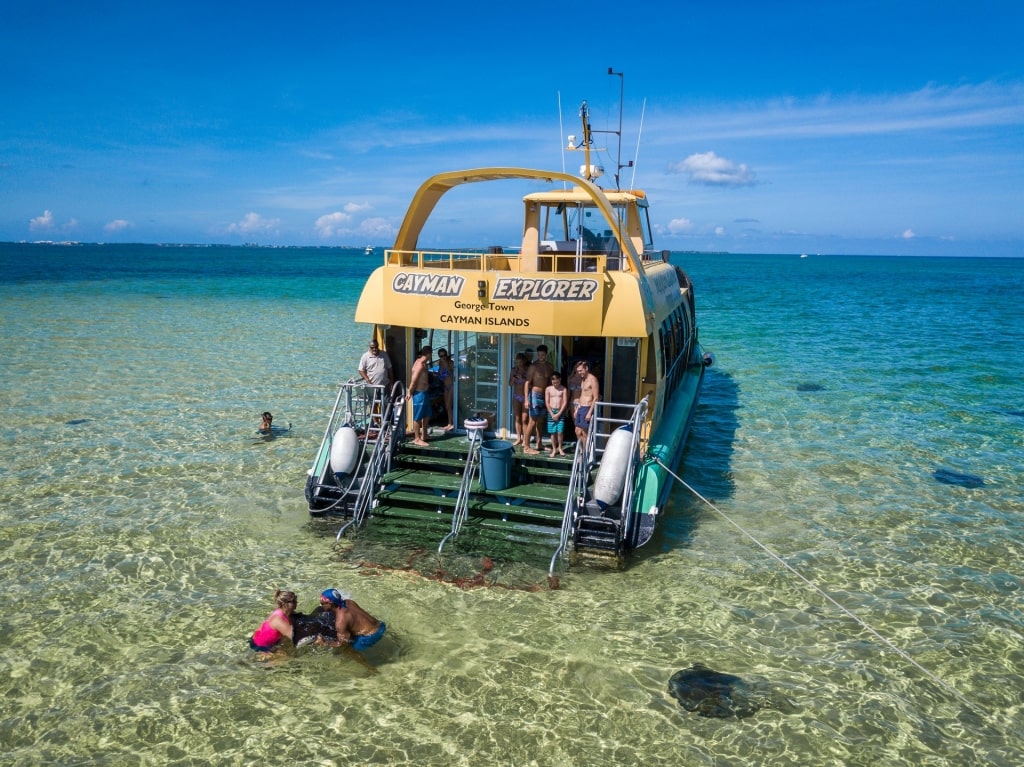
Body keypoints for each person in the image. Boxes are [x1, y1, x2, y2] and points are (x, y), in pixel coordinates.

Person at [318, 588, 386, 650]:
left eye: (322, 603)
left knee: (346, 650)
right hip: (381, 626)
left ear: (330, 603)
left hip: (371, 637)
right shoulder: (349, 602)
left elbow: (342, 644)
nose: (321, 605)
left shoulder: (340, 621)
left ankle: (364, 663)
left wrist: (324, 643)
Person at [522, 344, 554, 455]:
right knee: (532, 421)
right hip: (535, 395)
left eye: (543, 354)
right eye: (539, 354)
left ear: (546, 354)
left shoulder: (550, 366)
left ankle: (539, 443)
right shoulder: (533, 366)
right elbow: (527, 383)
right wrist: (526, 399)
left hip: (545, 396)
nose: (541, 356)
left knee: (541, 421)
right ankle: (526, 447)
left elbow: (551, 383)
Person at [249, 589, 297, 653]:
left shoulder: (282, 611)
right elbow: (295, 637)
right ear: (284, 604)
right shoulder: (278, 620)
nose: (296, 603)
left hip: (256, 639)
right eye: (293, 601)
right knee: (285, 657)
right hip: (261, 646)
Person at [573, 360, 600, 451]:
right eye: (578, 371)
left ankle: (585, 453)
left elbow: (596, 397)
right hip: (581, 407)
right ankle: (581, 450)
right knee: (577, 431)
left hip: (588, 408)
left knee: (585, 433)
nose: (579, 373)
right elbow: (582, 395)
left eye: (581, 371)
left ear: (586, 368)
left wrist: (589, 412)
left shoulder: (593, 379)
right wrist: (577, 409)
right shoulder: (583, 380)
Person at [409, 345, 432, 446]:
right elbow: (414, 380)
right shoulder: (419, 365)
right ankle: (417, 438)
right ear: (428, 354)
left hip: (425, 393)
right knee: (418, 417)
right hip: (419, 394)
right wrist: (409, 392)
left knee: (427, 415)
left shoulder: (423, 364)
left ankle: (425, 435)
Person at [545, 372, 568, 457]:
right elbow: (547, 402)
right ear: (551, 381)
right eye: (554, 383)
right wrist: (551, 413)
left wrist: (559, 413)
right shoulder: (548, 389)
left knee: (560, 431)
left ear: (560, 380)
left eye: (557, 382)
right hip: (551, 412)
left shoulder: (563, 389)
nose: (555, 384)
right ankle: (554, 449)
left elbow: (565, 402)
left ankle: (560, 448)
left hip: (560, 412)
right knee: (552, 432)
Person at [508, 352, 529, 446]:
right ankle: (518, 438)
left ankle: (525, 439)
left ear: (524, 361)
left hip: (525, 396)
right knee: (517, 418)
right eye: (517, 362)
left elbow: (531, 384)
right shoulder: (514, 370)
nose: (519, 364)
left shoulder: (527, 370)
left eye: (520, 362)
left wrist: (523, 378)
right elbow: (510, 384)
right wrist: (513, 378)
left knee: (524, 419)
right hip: (516, 396)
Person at [436, 348, 455, 430]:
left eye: (444, 355)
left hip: (451, 385)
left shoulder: (450, 363)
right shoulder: (440, 363)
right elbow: (440, 375)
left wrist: (447, 367)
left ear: (446, 355)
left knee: (448, 405)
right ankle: (450, 422)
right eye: (441, 356)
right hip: (445, 386)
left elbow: (453, 375)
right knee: (447, 406)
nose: (443, 357)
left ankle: (453, 423)